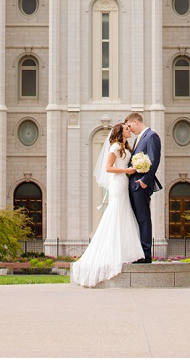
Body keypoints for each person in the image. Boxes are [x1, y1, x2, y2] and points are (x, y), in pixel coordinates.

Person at [69, 123, 143, 287]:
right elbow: (108, 168)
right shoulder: (115, 147)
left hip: (124, 182)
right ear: (120, 132)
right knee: (115, 212)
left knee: (124, 213)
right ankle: (112, 252)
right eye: (126, 129)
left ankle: (123, 251)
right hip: (118, 182)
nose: (129, 130)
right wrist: (127, 171)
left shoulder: (126, 147)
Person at [125, 111, 162, 263]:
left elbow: (154, 159)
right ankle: (138, 251)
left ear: (136, 121)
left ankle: (146, 254)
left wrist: (145, 181)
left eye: (129, 126)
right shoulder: (138, 139)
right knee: (137, 219)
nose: (129, 129)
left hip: (141, 185)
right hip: (133, 185)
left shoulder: (152, 136)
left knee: (143, 219)